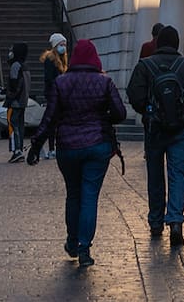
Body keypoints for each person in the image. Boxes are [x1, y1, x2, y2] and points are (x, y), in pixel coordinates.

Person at [28, 39, 125, 267]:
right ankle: (84, 247)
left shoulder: (61, 82)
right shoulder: (105, 82)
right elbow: (120, 113)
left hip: (68, 146)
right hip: (97, 144)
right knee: (90, 196)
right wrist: (102, 119)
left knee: (73, 194)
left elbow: (49, 118)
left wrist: (35, 146)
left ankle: (72, 241)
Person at [125, 25, 184, 246]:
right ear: (176, 43)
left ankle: (155, 221)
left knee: (155, 174)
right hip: (180, 129)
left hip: (154, 129)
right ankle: (175, 221)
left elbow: (133, 94)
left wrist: (148, 111)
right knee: (177, 173)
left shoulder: (145, 65)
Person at [39, 35, 69, 160]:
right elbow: (49, 79)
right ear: (56, 46)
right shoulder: (50, 60)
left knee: (55, 122)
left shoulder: (62, 59)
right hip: (53, 94)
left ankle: (54, 148)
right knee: (51, 122)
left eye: (64, 44)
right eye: (61, 44)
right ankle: (50, 148)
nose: (64, 47)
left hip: (60, 94)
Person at [5, 42, 30, 163]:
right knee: (20, 125)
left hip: (15, 101)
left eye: (12, 51)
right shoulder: (24, 66)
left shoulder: (15, 65)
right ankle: (19, 149)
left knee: (12, 124)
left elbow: (14, 84)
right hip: (23, 101)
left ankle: (16, 151)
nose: (10, 53)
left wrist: (9, 96)